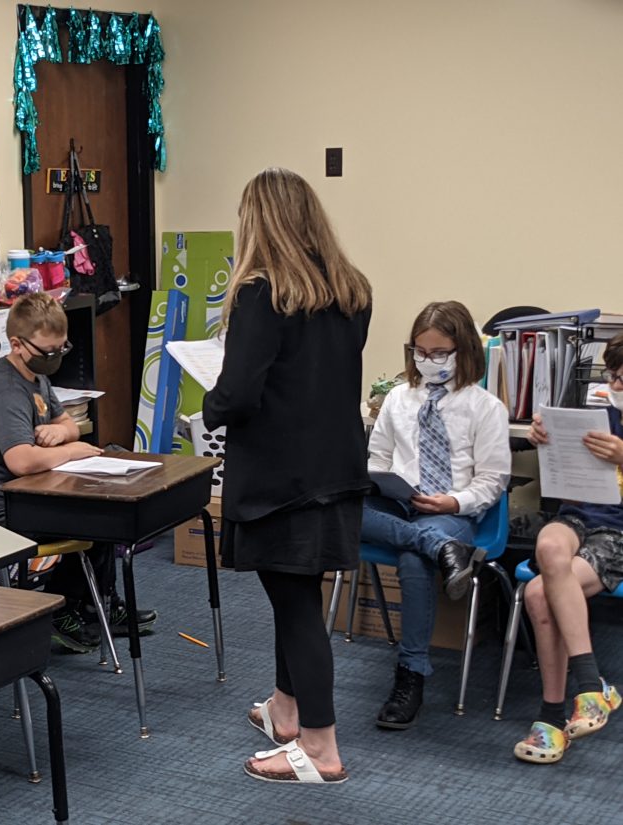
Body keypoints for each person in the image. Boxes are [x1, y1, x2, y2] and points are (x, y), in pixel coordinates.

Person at [203, 167, 372, 784]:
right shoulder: (353, 291)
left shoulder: (261, 293)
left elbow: (239, 394)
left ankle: (321, 748)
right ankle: (286, 709)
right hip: (337, 468)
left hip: (280, 478)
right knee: (294, 594)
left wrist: (211, 406)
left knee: (296, 605)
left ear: (259, 223)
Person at [0, 291, 157, 652]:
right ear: (17, 344)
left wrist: (61, 434)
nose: (55, 358)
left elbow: (70, 424)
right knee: (95, 519)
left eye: (61, 349)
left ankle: (95, 603)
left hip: (30, 492)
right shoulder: (5, 391)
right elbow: (21, 461)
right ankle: (60, 607)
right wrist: (72, 450)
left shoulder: (35, 377)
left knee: (105, 510)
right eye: (47, 352)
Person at [364, 301, 510, 730]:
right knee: (333, 508)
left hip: (450, 509)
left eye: (440, 353)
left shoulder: (486, 407)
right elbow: (378, 459)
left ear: (464, 351)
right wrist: (384, 482)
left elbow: (492, 481)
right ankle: (444, 549)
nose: (428, 361)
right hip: (397, 505)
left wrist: (453, 503)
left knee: (414, 560)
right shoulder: (397, 398)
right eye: (420, 352)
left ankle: (410, 674)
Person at [513, 332, 623, 764]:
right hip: (578, 516)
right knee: (548, 544)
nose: (616, 386)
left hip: (618, 533)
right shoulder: (599, 414)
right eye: (613, 376)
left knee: (539, 593)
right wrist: (544, 435)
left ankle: (551, 716)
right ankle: (591, 690)